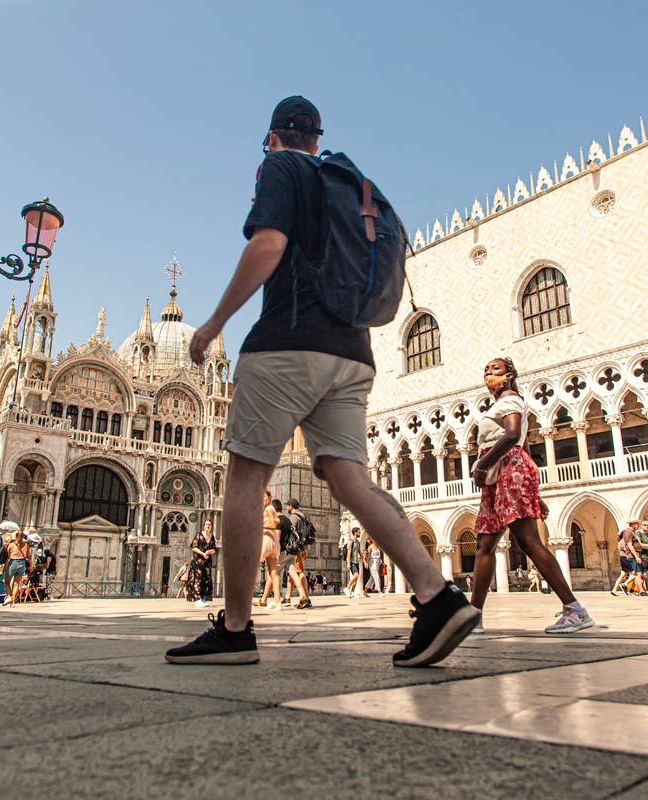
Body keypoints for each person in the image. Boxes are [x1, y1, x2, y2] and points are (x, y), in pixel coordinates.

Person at [167, 96, 478, 666]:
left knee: (244, 474)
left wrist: (215, 322)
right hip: (354, 351)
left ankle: (236, 629)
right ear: (318, 138)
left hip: (289, 342)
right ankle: (437, 595)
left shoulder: (281, 168)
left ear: (272, 137)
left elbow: (268, 244)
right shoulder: (351, 180)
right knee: (347, 475)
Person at [468, 357, 594, 635]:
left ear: (510, 375)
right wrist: (532, 494)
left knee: (528, 542)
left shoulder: (511, 400)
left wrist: (483, 463)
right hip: (502, 475)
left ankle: (574, 610)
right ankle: (473, 616)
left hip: (507, 470)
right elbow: (524, 444)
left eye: (496, 369)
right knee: (483, 545)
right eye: (486, 369)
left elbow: (513, 436)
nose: (489, 373)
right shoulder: (501, 404)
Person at [282, 499, 313, 609]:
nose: (287, 508)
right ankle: (287, 597)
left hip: (296, 548)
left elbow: (291, 531)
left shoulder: (294, 517)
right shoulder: (302, 516)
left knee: (299, 572)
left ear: (291, 506)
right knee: (291, 572)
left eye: (287, 506)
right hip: (302, 547)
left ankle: (306, 598)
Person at [257, 491, 282, 609]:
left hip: (266, 539)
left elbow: (272, 525)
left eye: (264, 497)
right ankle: (277, 602)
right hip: (272, 541)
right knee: (273, 572)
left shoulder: (269, 508)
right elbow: (277, 521)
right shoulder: (271, 509)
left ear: (270, 497)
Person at [186, 520, 217, 607]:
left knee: (206, 579)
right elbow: (193, 547)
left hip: (207, 562)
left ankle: (203, 598)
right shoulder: (199, 535)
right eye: (206, 524)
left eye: (209, 524)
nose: (208, 526)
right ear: (204, 526)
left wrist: (209, 552)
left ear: (211, 526)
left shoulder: (212, 537)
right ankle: (197, 599)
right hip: (198, 561)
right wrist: (203, 553)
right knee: (198, 579)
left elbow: (214, 549)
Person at [611, 520, 643, 596]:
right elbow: (627, 550)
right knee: (634, 574)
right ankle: (626, 586)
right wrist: (635, 556)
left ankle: (614, 590)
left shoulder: (621, 542)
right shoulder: (622, 542)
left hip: (624, 559)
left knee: (622, 575)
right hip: (626, 558)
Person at [4, 531, 31, 604]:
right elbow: (29, 556)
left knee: (7, 582)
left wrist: (5, 566)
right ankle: (13, 601)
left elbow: (8, 557)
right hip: (22, 563)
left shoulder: (11, 545)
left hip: (13, 562)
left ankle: (9, 596)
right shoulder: (26, 545)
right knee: (16, 583)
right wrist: (31, 565)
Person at [342, 527, 364, 598]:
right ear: (355, 533)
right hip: (352, 562)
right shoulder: (350, 541)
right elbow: (349, 553)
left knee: (356, 578)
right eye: (359, 532)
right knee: (356, 575)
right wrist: (348, 563)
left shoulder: (357, 542)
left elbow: (360, 552)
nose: (360, 533)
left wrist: (365, 561)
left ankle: (353, 592)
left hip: (357, 562)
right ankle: (347, 588)